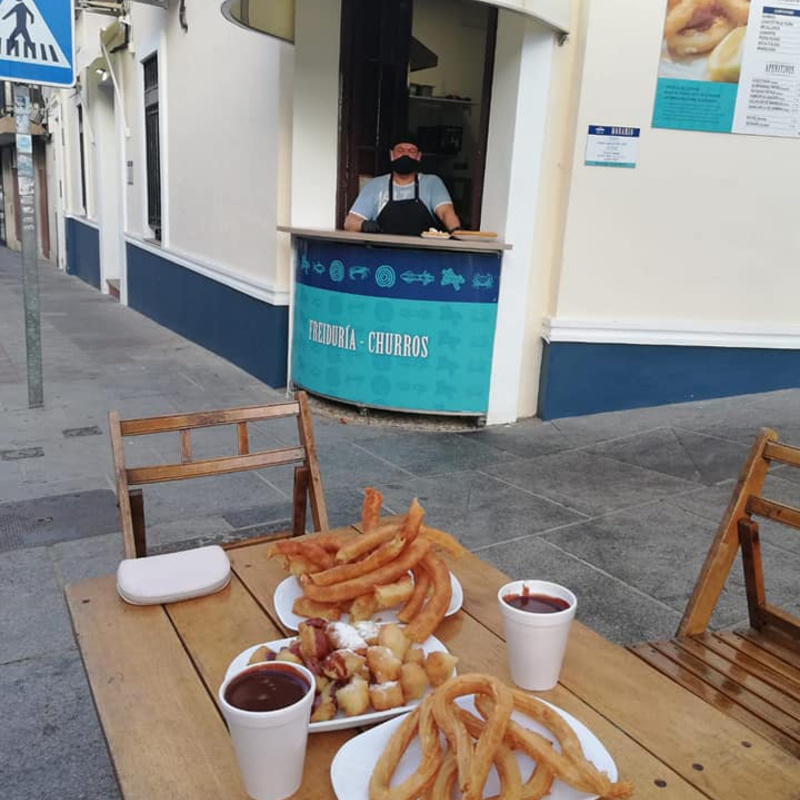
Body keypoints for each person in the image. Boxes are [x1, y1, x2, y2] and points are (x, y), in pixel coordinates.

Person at [343, 134, 461, 237]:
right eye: (400, 150)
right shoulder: (375, 185)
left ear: (419, 156)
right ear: (391, 155)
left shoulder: (432, 183)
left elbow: (446, 212)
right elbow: (349, 223)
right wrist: (363, 225)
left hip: (423, 257)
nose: (405, 154)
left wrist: (456, 232)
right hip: (383, 258)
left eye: (411, 151)